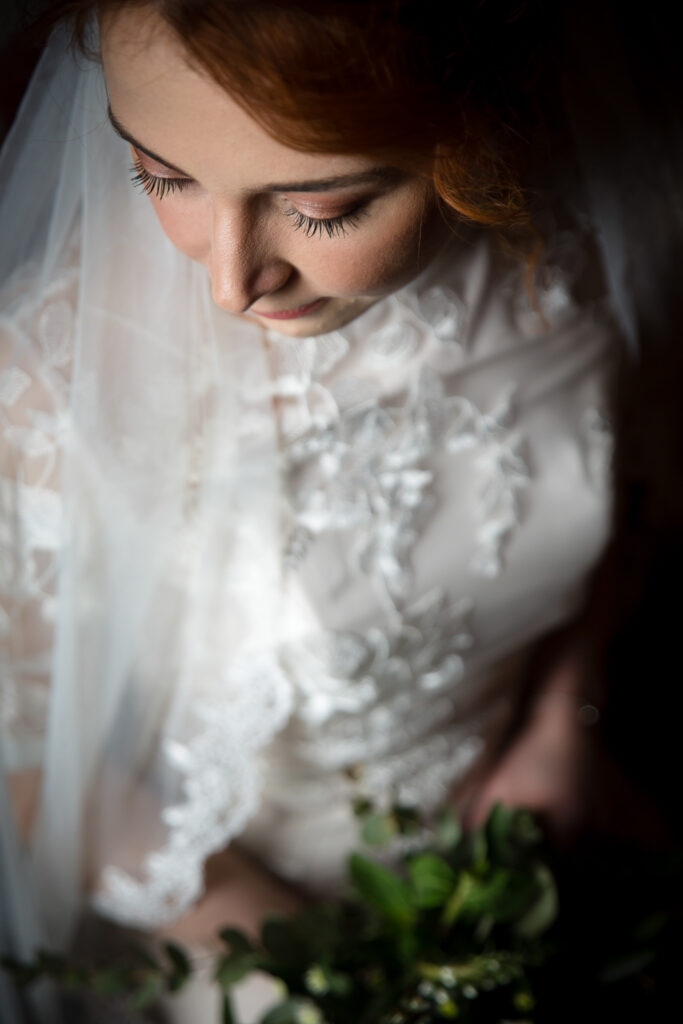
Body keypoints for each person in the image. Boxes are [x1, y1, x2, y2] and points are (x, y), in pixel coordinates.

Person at [1, 1, 667, 1021]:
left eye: (323, 208)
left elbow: (636, 483)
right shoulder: (58, 376)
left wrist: (560, 719)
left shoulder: (616, 216)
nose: (231, 281)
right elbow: (28, 759)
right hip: (242, 942)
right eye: (161, 175)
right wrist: (342, 985)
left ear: (480, 134)